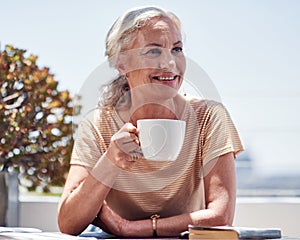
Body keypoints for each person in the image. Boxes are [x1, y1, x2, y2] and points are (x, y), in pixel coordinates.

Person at [58, 5, 244, 238]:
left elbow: (221, 216)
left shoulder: (209, 116)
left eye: (177, 49)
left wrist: (130, 229)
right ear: (122, 63)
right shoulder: (98, 124)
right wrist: (109, 162)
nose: (169, 63)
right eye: (154, 52)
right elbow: (68, 222)